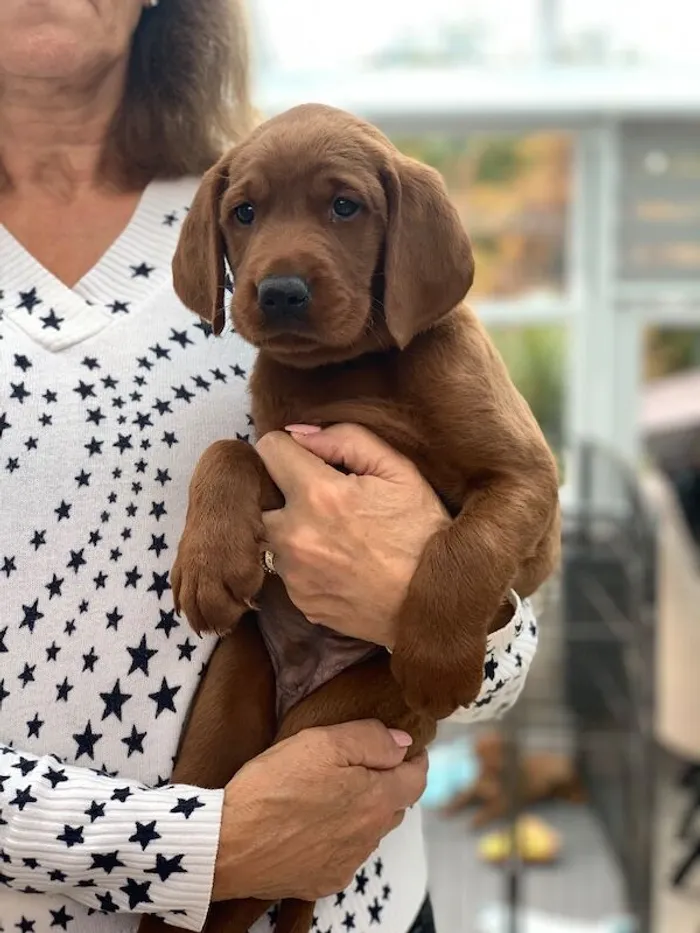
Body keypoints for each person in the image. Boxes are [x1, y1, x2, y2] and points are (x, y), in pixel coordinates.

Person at [0, 2, 539, 931]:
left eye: (338, 208)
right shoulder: (224, 226)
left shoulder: (239, 184)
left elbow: (505, 635)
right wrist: (195, 847)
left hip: (364, 900)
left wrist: (441, 614)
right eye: (250, 217)